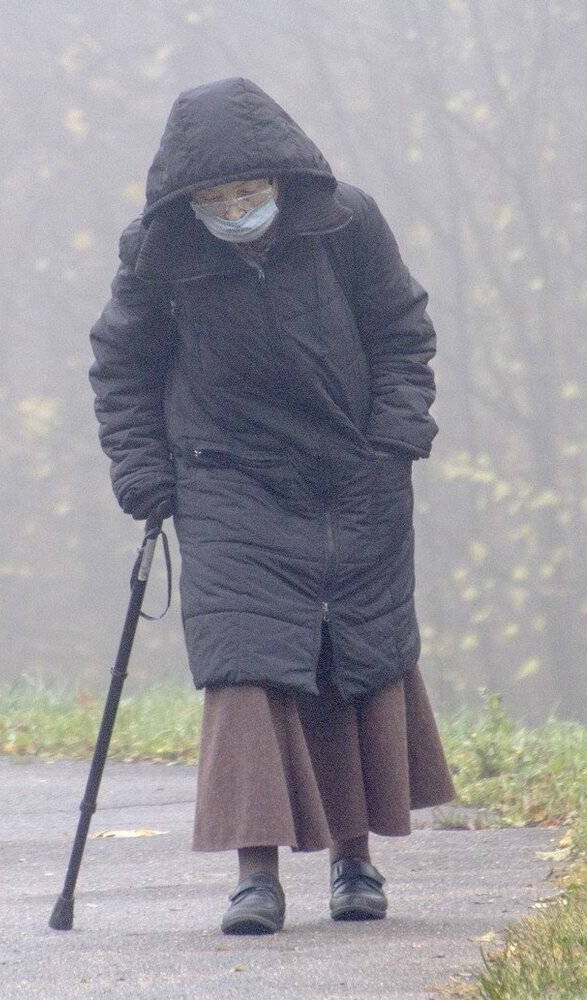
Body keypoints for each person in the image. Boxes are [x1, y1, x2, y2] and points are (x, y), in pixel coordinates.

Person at [86, 76, 457, 935]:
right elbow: (122, 369)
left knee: (350, 655)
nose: (234, 210)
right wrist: (142, 473)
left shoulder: (346, 222)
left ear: (281, 178)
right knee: (245, 665)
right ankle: (255, 878)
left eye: (248, 191)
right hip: (225, 481)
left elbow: (402, 332)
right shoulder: (155, 255)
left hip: (352, 472)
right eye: (215, 198)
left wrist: (394, 438)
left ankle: (354, 860)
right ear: (186, 200)